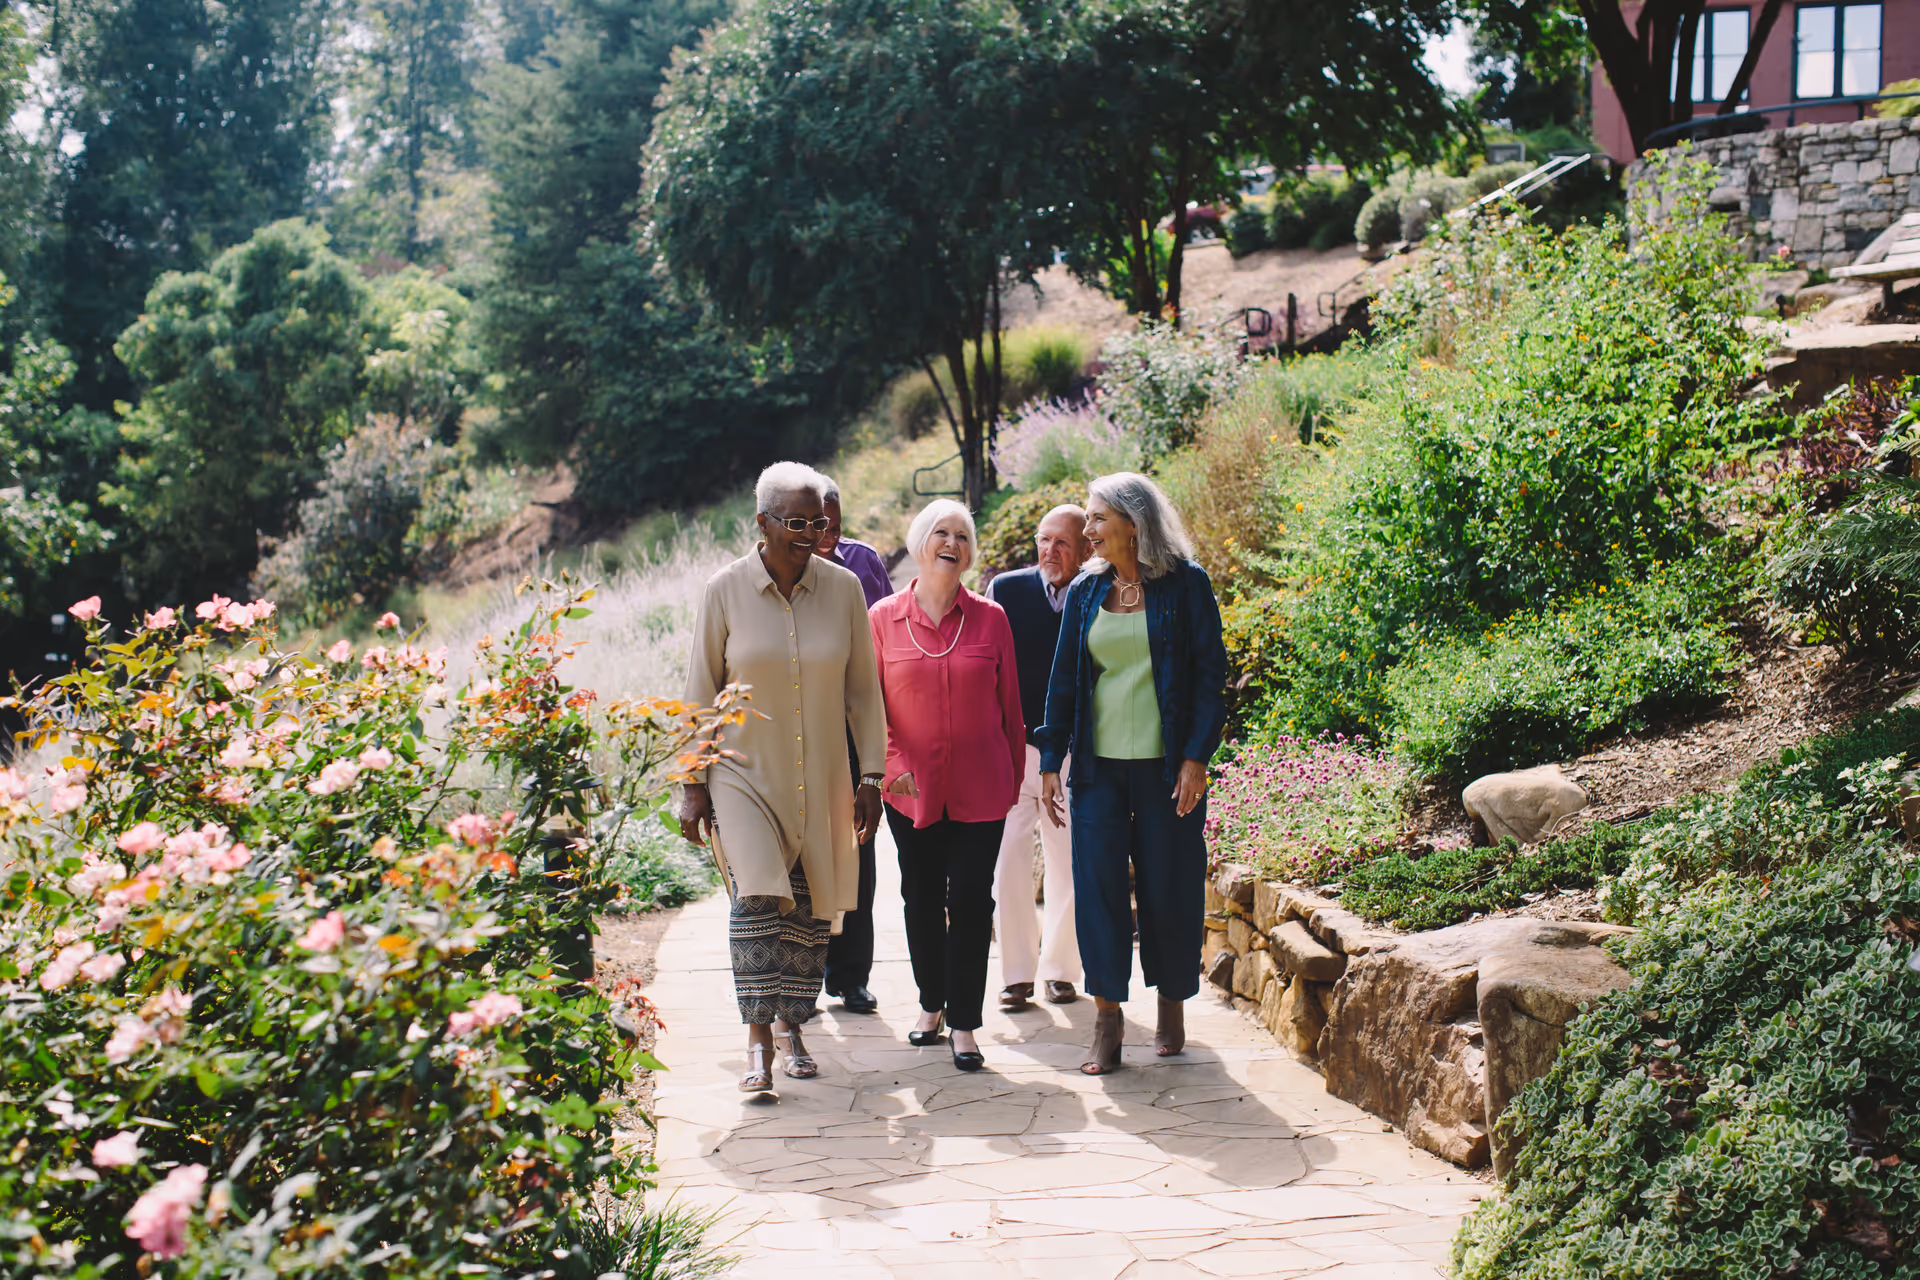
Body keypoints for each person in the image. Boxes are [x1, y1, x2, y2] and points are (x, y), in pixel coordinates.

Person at [679, 462, 888, 1093]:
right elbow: (700, 690)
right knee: (757, 899)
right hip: (742, 773)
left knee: (808, 908)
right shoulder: (724, 590)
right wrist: (692, 783)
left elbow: (864, 693)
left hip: (822, 772)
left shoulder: (846, 589)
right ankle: (758, 1036)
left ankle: (795, 1023)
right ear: (762, 524)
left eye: (817, 522)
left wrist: (872, 776)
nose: (808, 534)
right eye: (794, 523)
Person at [1035, 473, 1227, 1076]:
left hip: (1167, 768)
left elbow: (1209, 676)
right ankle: (1108, 1019)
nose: (1084, 529)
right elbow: (1063, 678)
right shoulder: (1087, 590)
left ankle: (1172, 1001)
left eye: (1095, 518)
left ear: (1133, 524)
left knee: (1170, 883)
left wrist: (1197, 756)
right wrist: (1049, 759)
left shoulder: (1186, 585)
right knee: (1097, 891)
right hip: (1097, 770)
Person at [869, 499, 1024, 1072]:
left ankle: (964, 1022)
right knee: (922, 899)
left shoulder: (992, 618)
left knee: (970, 902)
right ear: (919, 543)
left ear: (969, 552)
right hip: (910, 790)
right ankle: (930, 1003)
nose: (952, 542)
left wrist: (1011, 776)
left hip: (982, 787)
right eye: (941, 532)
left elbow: (1010, 707)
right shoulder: (882, 618)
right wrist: (890, 771)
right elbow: (869, 707)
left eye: (962, 535)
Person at [985, 505, 1090, 1010]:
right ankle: (1016, 974)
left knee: (1068, 862)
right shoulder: (1005, 591)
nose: (1050, 551)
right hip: (1013, 749)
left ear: (1086, 547)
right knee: (1008, 859)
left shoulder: (1098, 592)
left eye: (1062, 543)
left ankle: (1061, 970)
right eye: (1043, 540)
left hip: (1070, 753)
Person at [812, 479, 892, 1015]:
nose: (826, 538)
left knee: (858, 851)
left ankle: (851, 977)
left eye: (835, 527)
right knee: (806, 854)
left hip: (852, 723)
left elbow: (888, 648)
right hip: (800, 729)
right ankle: (806, 975)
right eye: (818, 526)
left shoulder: (862, 564)